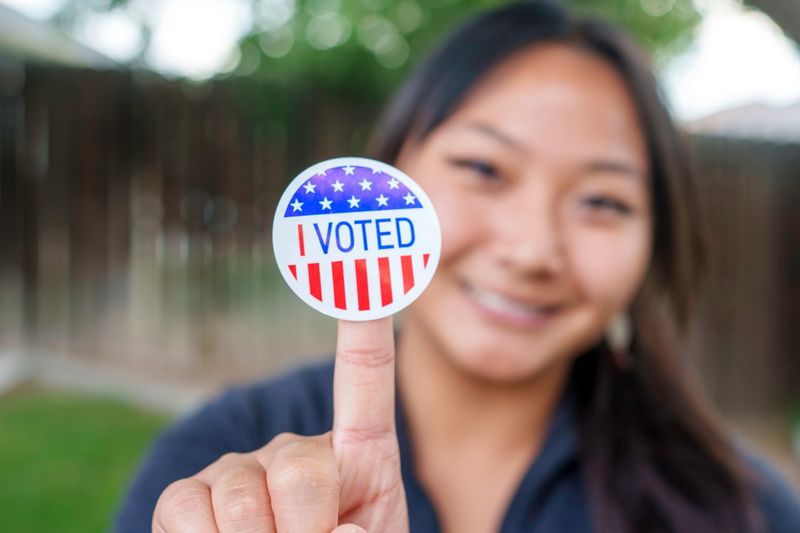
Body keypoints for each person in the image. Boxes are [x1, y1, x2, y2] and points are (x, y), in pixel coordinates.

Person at [114, 1, 800, 532]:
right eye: (482, 167)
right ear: (391, 172)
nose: (532, 250)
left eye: (601, 200)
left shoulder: (745, 510)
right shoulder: (219, 469)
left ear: (653, 241)